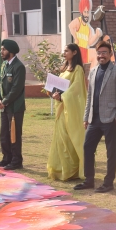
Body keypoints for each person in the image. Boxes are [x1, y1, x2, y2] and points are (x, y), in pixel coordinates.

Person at [75, 41, 116, 193]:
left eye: (104, 52)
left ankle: (108, 183)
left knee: (111, 152)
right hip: (94, 119)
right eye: (99, 53)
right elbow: (90, 96)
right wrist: (86, 117)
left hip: (110, 118)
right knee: (87, 147)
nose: (101, 55)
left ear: (110, 54)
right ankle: (89, 180)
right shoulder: (92, 71)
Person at [47, 44, 86, 181]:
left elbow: (76, 89)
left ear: (74, 52)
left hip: (70, 109)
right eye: (63, 51)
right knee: (61, 139)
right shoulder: (64, 69)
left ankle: (71, 170)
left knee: (68, 138)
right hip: (61, 109)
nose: (63, 53)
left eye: (66, 51)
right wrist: (52, 92)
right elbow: (59, 86)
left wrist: (62, 97)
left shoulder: (78, 69)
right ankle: (60, 169)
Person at [0, 39, 26, 170]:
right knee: (4, 134)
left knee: (14, 134)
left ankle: (16, 161)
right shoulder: (4, 65)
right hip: (5, 107)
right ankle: (6, 158)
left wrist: (4, 101)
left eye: (4, 49)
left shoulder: (19, 66)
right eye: (1, 49)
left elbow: (16, 89)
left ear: (11, 51)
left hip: (15, 107)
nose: (1, 51)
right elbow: (0, 85)